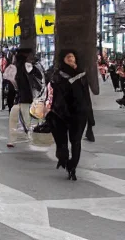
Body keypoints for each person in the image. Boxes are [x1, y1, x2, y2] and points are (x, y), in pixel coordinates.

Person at [48, 50, 92, 181]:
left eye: (72, 56)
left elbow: (87, 96)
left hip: (79, 114)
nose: (71, 59)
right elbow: (53, 94)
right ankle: (65, 160)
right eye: (68, 57)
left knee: (76, 141)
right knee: (62, 144)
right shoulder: (58, 75)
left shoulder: (82, 74)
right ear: (63, 59)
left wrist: (90, 116)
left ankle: (72, 166)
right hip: (61, 113)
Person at [7, 48, 43, 148]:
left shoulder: (16, 67)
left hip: (20, 96)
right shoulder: (26, 66)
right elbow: (38, 77)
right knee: (24, 118)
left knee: (16, 118)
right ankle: (25, 137)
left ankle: (13, 140)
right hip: (24, 96)